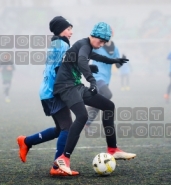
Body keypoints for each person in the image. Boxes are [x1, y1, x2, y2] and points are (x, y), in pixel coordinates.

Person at [53, 22, 136, 175]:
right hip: (65, 87)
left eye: (104, 42)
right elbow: (82, 61)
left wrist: (115, 61)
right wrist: (91, 80)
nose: (102, 44)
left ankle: (113, 148)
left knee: (108, 106)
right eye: (101, 41)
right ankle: (64, 158)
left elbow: (97, 57)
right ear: (94, 36)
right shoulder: (84, 45)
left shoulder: (88, 46)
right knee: (82, 115)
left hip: (75, 86)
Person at [16, 16, 79, 176]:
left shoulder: (55, 43)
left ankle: (26, 141)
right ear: (60, 30)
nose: (71, 32)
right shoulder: (62, 44)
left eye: (71, 29)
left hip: (47, 92)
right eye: (68, 29)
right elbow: (60, 70)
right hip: (55, 92)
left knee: (60, 129)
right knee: (68, 128)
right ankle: (58, 166)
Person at [84, 28, 121, 133]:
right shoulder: (97, 46)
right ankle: (90, 106)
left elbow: (117, 65)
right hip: (97, 77)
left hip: (106, 78)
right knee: (107, 95)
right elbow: (86, 54)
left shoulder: (115, 48)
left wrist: (121, 60)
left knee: (99, 100)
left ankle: (86, 123)